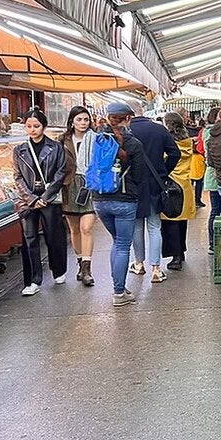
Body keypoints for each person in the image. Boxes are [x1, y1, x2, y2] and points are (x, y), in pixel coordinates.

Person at [93, 103, 146, 306]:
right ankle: (118, 293)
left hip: (100, 200)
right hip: (125, 199)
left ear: (108, 118)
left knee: (116, 243)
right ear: (128, 119)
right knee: (123, 245)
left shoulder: (96, 140)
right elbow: (140, 176)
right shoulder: (133, 144)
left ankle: (120, 288)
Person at [13, 108, 67, 296]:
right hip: (28, 200)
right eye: (28, 126)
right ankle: (33, 280)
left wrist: (45, 197)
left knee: (54, 236)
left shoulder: (56, 147)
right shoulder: (19, 150)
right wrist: (31, 199)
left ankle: (59, 270)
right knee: (30, 239)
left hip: (48, 199)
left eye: (36, 126)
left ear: (43, 126)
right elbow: (17, 176)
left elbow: (61, 173)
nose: (32, 130)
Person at [127, 101, 180, 284]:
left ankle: (138, 263)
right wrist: (163, 171)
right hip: (154, 184)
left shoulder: (125, 132)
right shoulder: (158, 129)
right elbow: (175, 153)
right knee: (154, 226)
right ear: (142, 111)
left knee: (136, 226)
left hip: (132, 185)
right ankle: (156, 269)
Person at [58, 106, 97, 287]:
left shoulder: (96, 139)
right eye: (79, 119)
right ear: (72, 121)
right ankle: (81, 263)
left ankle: (87, 270)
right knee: (74, 229)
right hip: (69, 186)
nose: (83, 123)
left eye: (86, 120)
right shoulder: (63, 140)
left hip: (90, 185)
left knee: (86, 228)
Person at [160, 112, 196, 271]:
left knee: (170, 222)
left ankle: (175, 258)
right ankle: (181, 252)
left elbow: (163, 161)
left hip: (171, 184)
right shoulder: (187, 141)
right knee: (182, 222)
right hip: (185, 185)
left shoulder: (168, 143)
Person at [199, 107, 221, 254]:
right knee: (216, 210)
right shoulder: (213, 132)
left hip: (213, 174)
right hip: (216, 174)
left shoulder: (207, 132)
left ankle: (214, 243)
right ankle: (214, 243)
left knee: (215, 209)